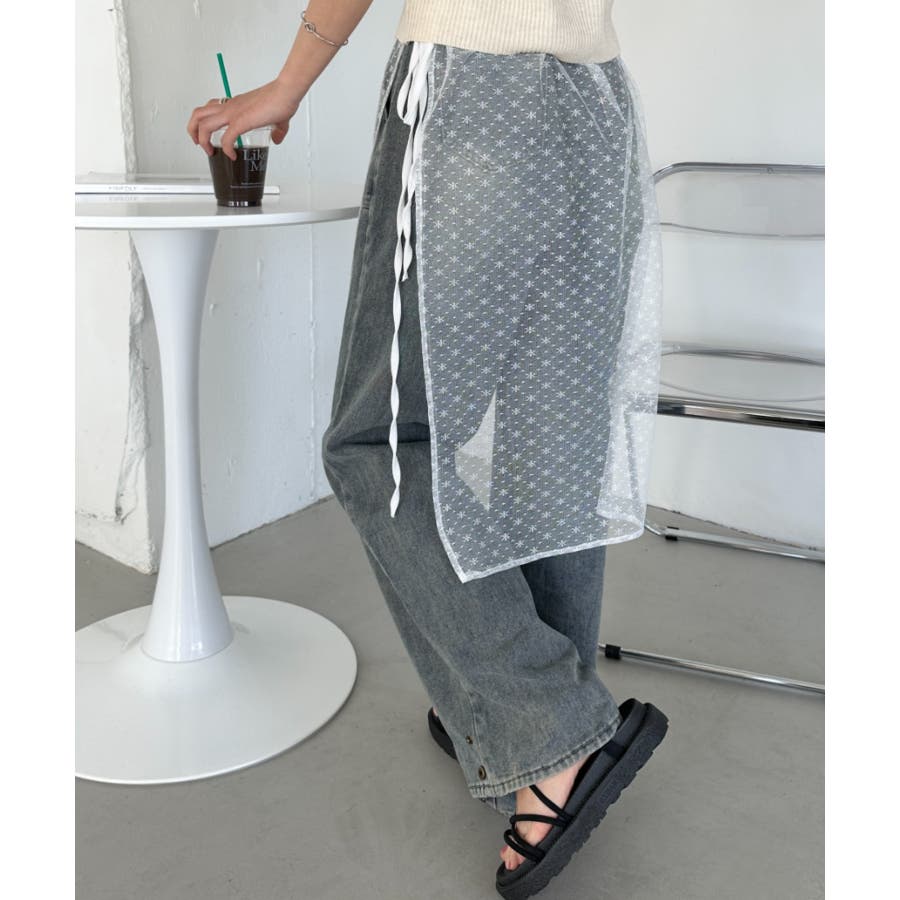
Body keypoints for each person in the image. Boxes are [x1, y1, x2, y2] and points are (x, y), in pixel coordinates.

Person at [187, 3, 669, 897]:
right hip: (596, 102)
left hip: (470, 88)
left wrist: (289, 82)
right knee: (550, 436)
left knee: (377, 440)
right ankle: (528, 726)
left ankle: (543, 722)